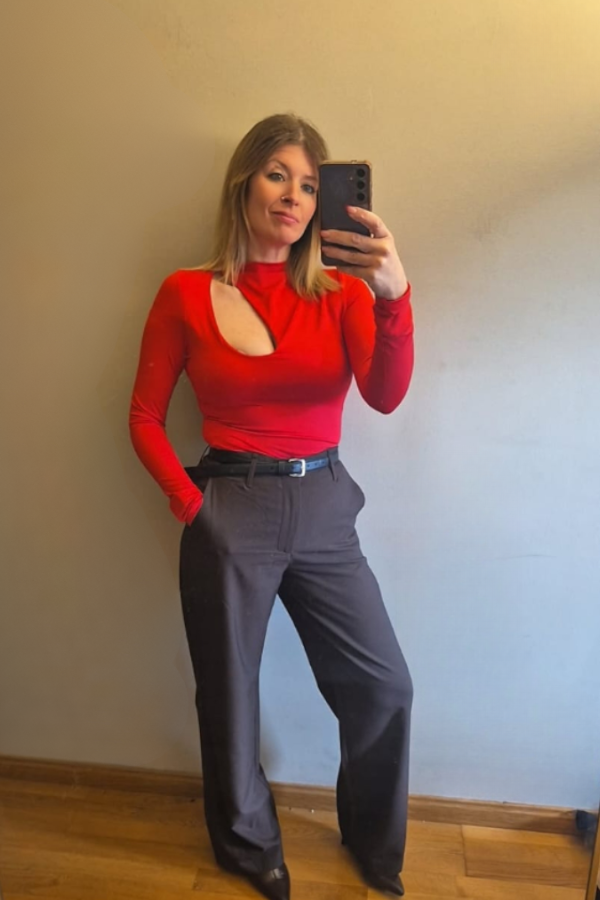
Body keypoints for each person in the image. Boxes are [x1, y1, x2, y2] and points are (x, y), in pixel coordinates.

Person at [129, 113, 414, 900]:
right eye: (279, 175)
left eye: (312, 185)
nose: (294, 196)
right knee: (229, 695)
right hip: (231, 505)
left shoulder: (343, 293)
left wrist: (393, 296)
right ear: (244, 183)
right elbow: (144, 417)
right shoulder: (185, 293)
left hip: (324, 502)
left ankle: (373, 840)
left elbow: (385, 396)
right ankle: (248, 848)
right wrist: (195, 508)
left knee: (383, 685)